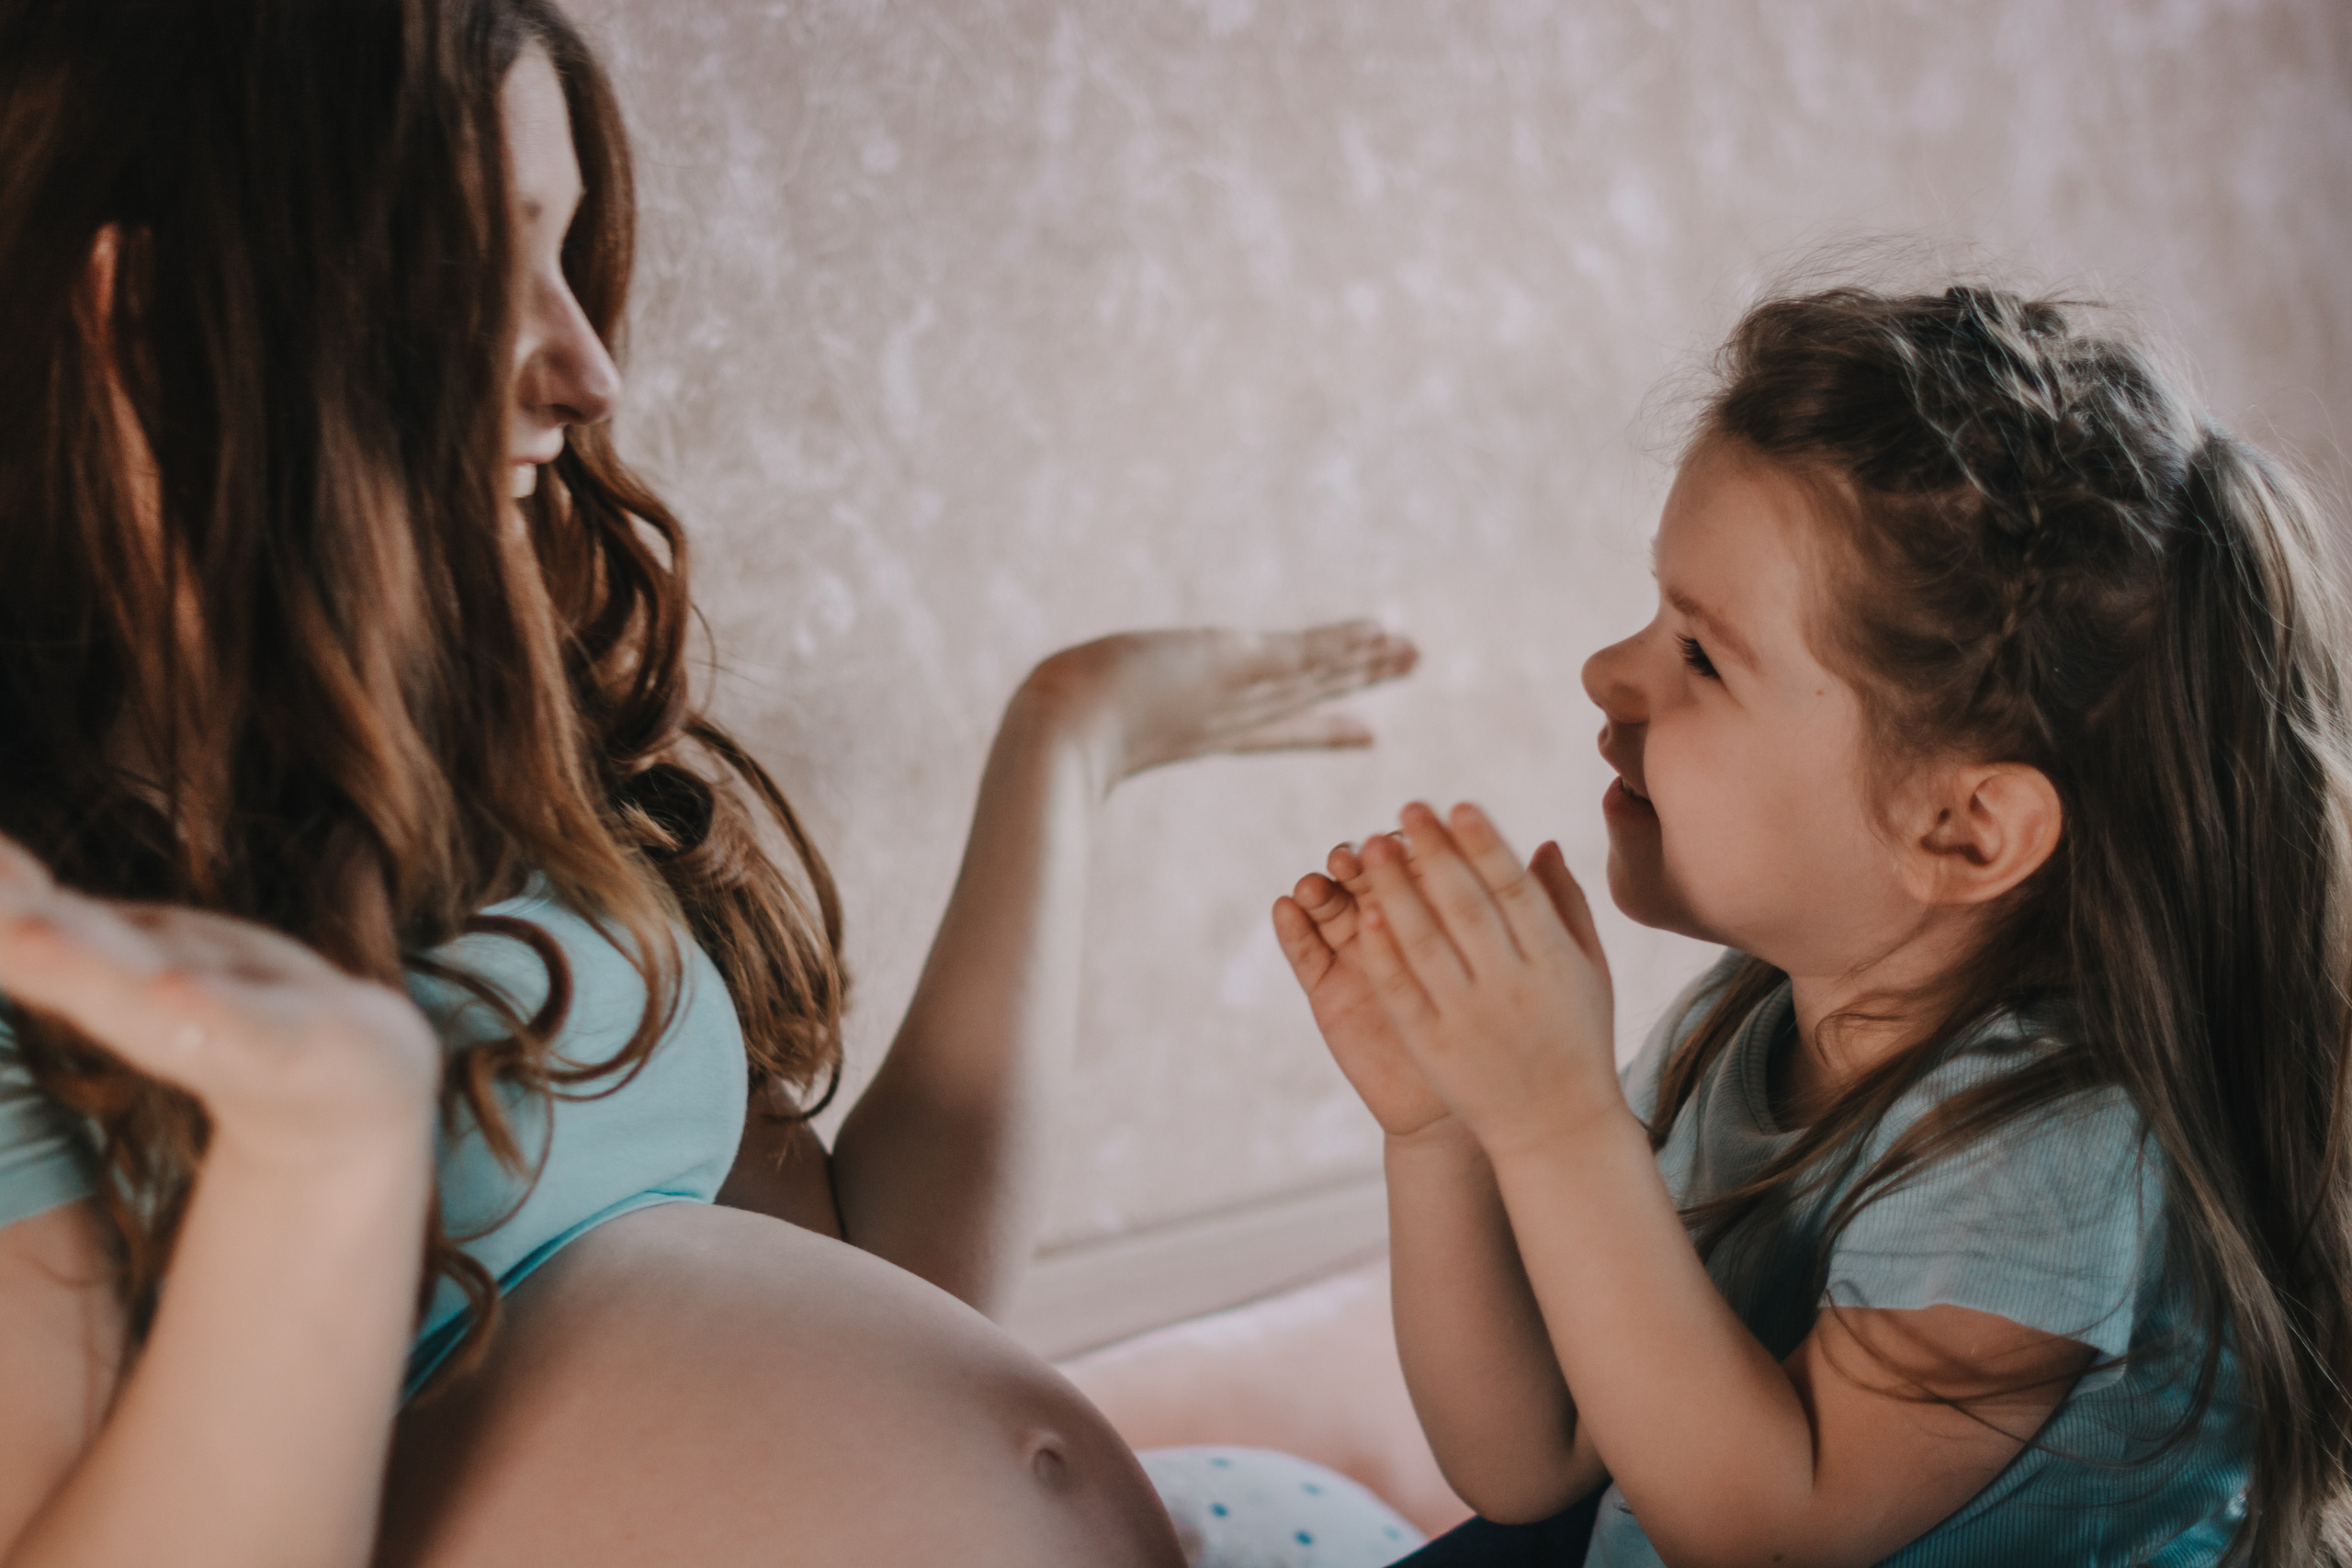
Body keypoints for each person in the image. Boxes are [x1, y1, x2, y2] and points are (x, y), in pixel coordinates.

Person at [0, 1, 1416, 1562]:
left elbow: (895, 1292)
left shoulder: (512, 782)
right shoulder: (41, 953)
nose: (587, 369)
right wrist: (320, 1156)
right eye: (488, 262)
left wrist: (1065, 745)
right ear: (149, 317)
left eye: (571, 254)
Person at [1276, 283, 2352, 1564]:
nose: (1606, 674)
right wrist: (1446, 1128)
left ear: (1960, 830)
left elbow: (1758, 1533)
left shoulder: (2056, 1158)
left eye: (1703, 658)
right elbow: (1531, 1463)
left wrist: (1555, 1119)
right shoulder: (1746, 1024)